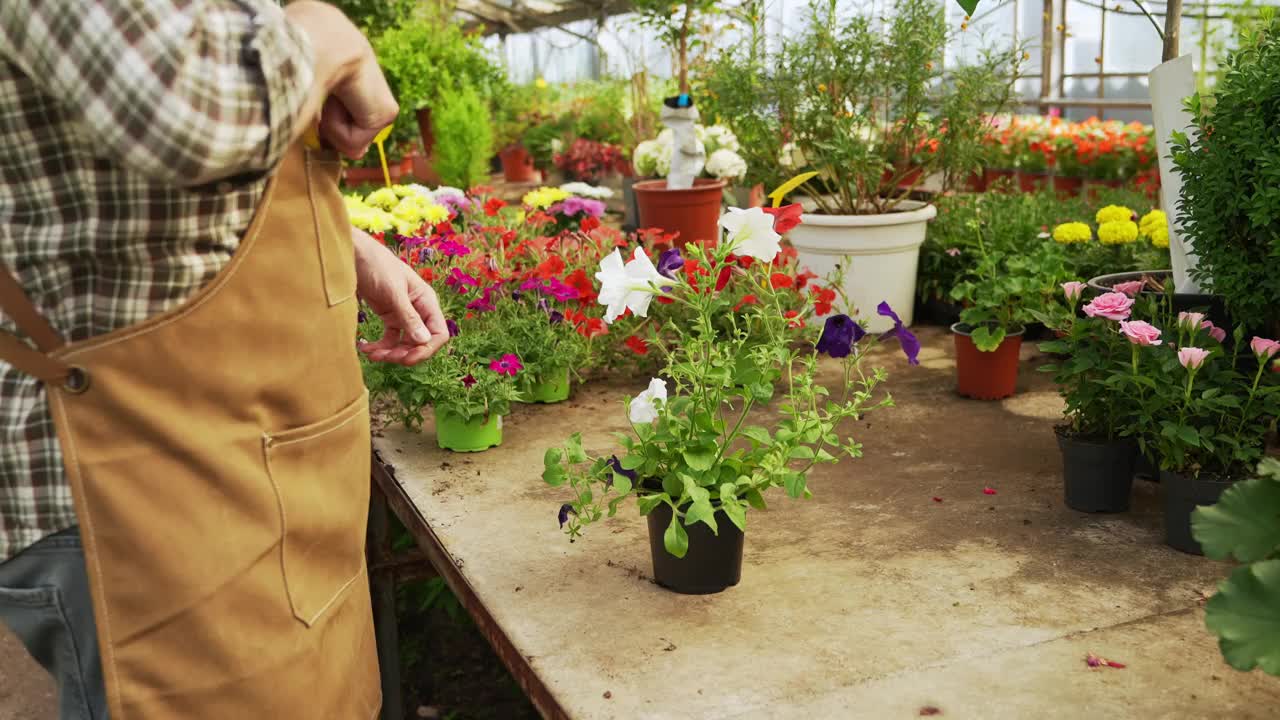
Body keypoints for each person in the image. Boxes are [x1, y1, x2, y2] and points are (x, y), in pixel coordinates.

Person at [0, 2, 447, 718]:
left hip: (239, 474)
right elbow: (186, 107)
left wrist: (345, 244)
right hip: (136, 491)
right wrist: (332, 34)